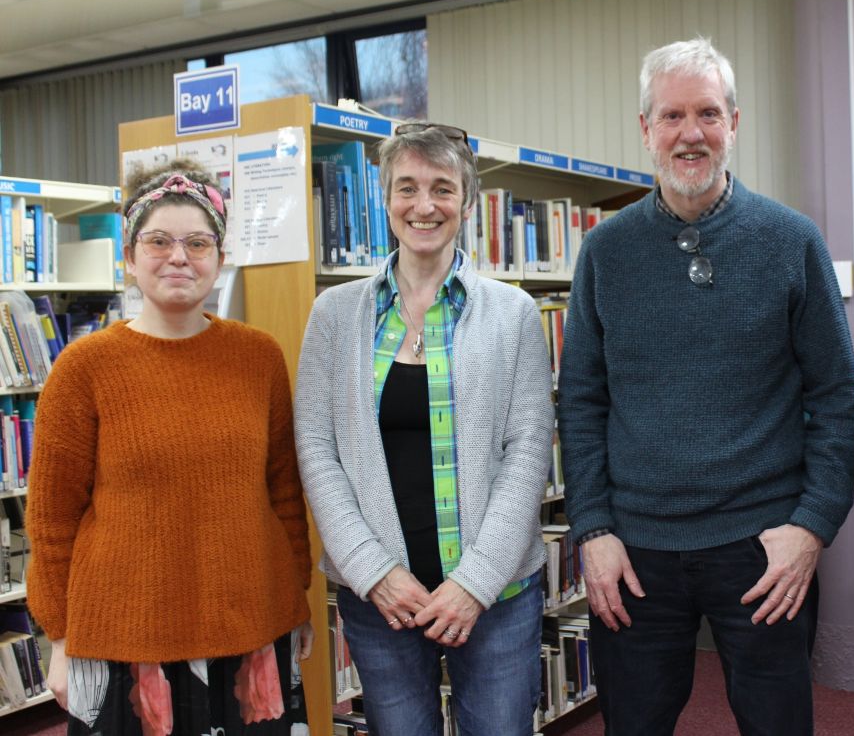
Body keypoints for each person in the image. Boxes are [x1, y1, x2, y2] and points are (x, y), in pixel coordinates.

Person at [556, 37, 854, 736]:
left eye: (707, 114)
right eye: (671, 116)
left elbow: (837, 398)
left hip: (763, 547)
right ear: (645, 129)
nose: (689, 133)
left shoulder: (791, 240)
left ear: (734, 123)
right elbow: (581, 402)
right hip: (634, 550)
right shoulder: (605, 250)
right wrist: (593, 529)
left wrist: (811, 527)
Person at [26, 161, 314, 735]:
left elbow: (284, 490)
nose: (178, 257)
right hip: (125, 641)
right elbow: (52, 519)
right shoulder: (83, 368)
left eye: (197, 243)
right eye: (158, 241)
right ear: (130, 258)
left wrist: (295, 597)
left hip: (251, 631)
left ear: (219, 258)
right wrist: (59, 637)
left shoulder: (259, 357)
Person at [294, 122, 554, 736]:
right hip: (381, 602)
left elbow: (527, 453)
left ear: (467, 202)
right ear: (385, 200)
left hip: (496, 599)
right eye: (406, 187)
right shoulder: (334, 314)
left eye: (442, 188)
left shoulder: (514, 313)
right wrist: (373, 571)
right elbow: (316, 448)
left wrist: (475, 583)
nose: (424, 205)